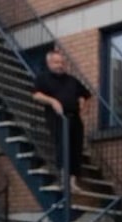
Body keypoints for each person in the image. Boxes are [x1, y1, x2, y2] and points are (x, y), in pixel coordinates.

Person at [32, 50, 91, 194]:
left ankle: (72, 182)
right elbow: (36, 95)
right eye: (57, 62)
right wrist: (52, 101)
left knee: (76, 149)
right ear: (49, 63)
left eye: (62, 63)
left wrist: (83, 101)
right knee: (62, 146)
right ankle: (62, 179)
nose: (60, 65)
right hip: (57, 117)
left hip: (74, 118)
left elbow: (85, 94)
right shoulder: (43, 78)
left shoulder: (72, 80)